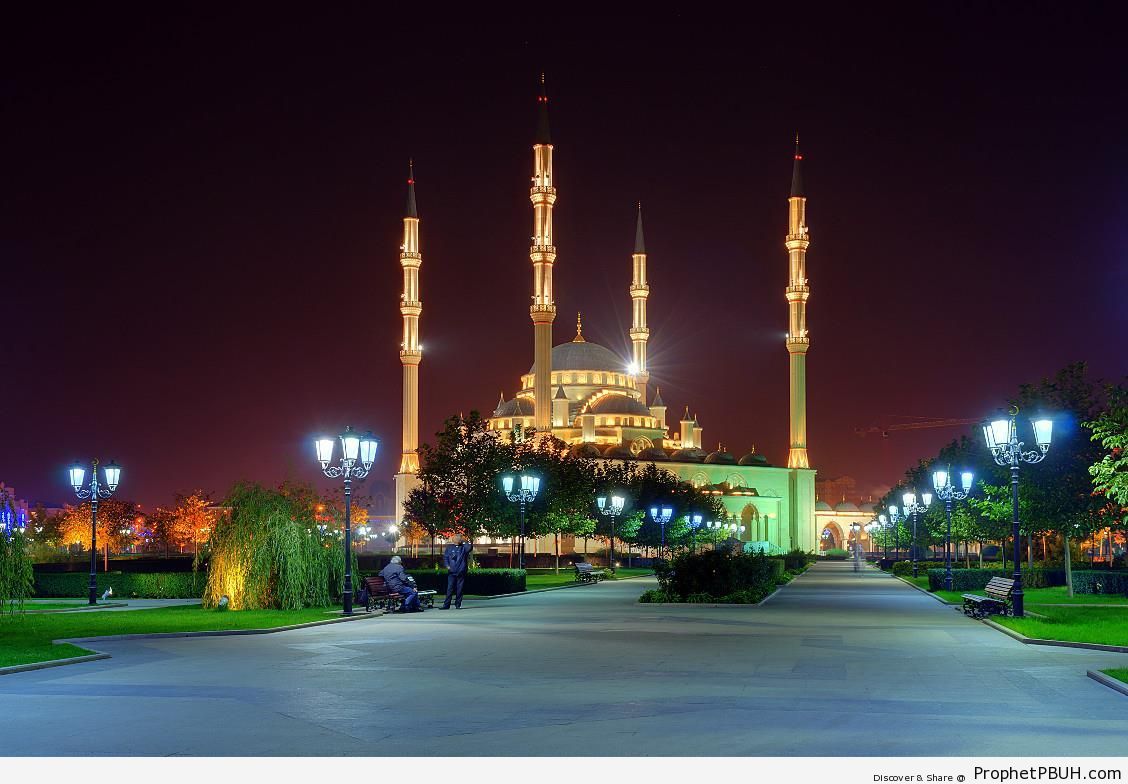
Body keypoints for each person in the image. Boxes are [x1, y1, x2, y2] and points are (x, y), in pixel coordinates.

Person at [441, 533, 473, 609]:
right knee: (449, 589)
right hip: (451, 572)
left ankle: (457, 604)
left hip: (461, 572)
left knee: (460, 589)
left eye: (458, 538)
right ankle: (446, 605)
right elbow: (445, 557)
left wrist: (464, 540)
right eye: (456, 538)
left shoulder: (463, 548)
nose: (457, 540)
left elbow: (470, 547)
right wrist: (448, 566)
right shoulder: (449, 548)